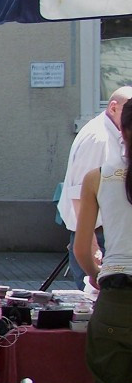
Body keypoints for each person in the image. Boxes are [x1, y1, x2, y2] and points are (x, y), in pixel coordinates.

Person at [73, 99, 132, 383]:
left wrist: (98, 276)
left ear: (120, 130)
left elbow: (82, 249)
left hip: (116, 296)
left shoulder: (99, 177)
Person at [59, 87, 132, 290]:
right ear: (113, 107)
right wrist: (92, 248)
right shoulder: (99, 137)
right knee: (91, 303)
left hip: (104, 232)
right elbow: (79, 193)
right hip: (96, 233)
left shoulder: (108, 132)